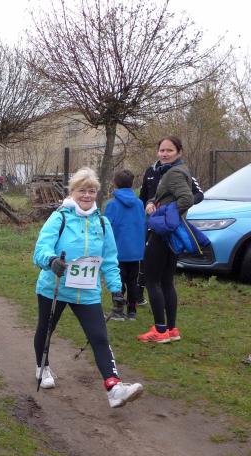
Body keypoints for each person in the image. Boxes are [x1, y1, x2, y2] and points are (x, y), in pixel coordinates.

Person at [32, 167, 143, 408]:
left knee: (99, 337)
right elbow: (41, 249)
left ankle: (114, 388)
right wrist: (51, 261)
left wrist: (116, 290)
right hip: (55, 286)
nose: (87, 195)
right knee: (46, 329)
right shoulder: (59, 217)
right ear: (72, 192)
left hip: (87, 291)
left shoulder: (102, 223)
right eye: (82, 190)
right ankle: (42, 366)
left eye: (92, 191)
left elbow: (110, 260)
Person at [137, 136, 194, 343]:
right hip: (172, 235)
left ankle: (160, 331)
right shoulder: (175, 170)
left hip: (162, 233)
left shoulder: (174, 173)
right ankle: (171, 329)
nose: (164, 154)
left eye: (169, 150)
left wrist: (165, 215)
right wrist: (152, 202)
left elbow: (187, 198)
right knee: (167, 282)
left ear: (179, 152)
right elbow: (167, 196)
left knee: (152, 281)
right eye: (162, 150)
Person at [104, 169, 146, 321]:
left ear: (115, 184)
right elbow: (143, 224)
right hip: (135, 250)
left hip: (117, 250)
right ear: (131, 183)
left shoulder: (112, 205)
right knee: (133, 281)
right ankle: (132, 312)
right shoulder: (139, 203)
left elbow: (106, 228)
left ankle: (118, 311)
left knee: (118, 281)